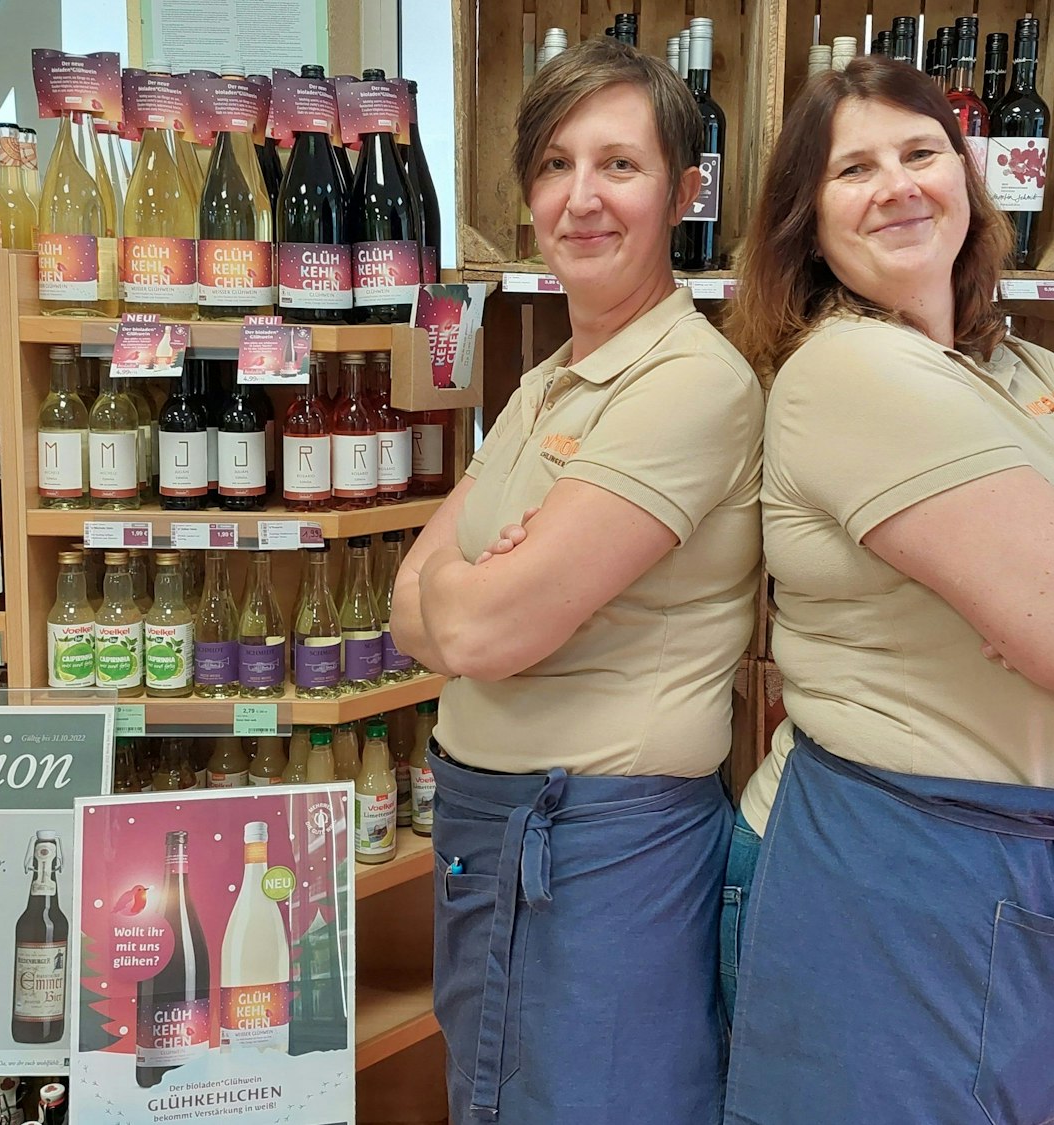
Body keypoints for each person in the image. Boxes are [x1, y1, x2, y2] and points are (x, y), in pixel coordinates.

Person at [718, 56, 1054, 1123]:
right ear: (803, 221)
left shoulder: (1024, 373)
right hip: (903, 878)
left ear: (965, 178)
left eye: (921, 153)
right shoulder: (849, 370)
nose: (899, 184)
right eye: (852, 169)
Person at [388, 37, 763, 1125]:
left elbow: (477, 630)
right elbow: (413, 601)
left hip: (593, 853)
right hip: (497, 835)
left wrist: (473, 597)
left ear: (685, 192)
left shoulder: (688, 383)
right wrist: (463, 597)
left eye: (619, 166)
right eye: (554, 165)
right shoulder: (550, 377)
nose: (579, 199)